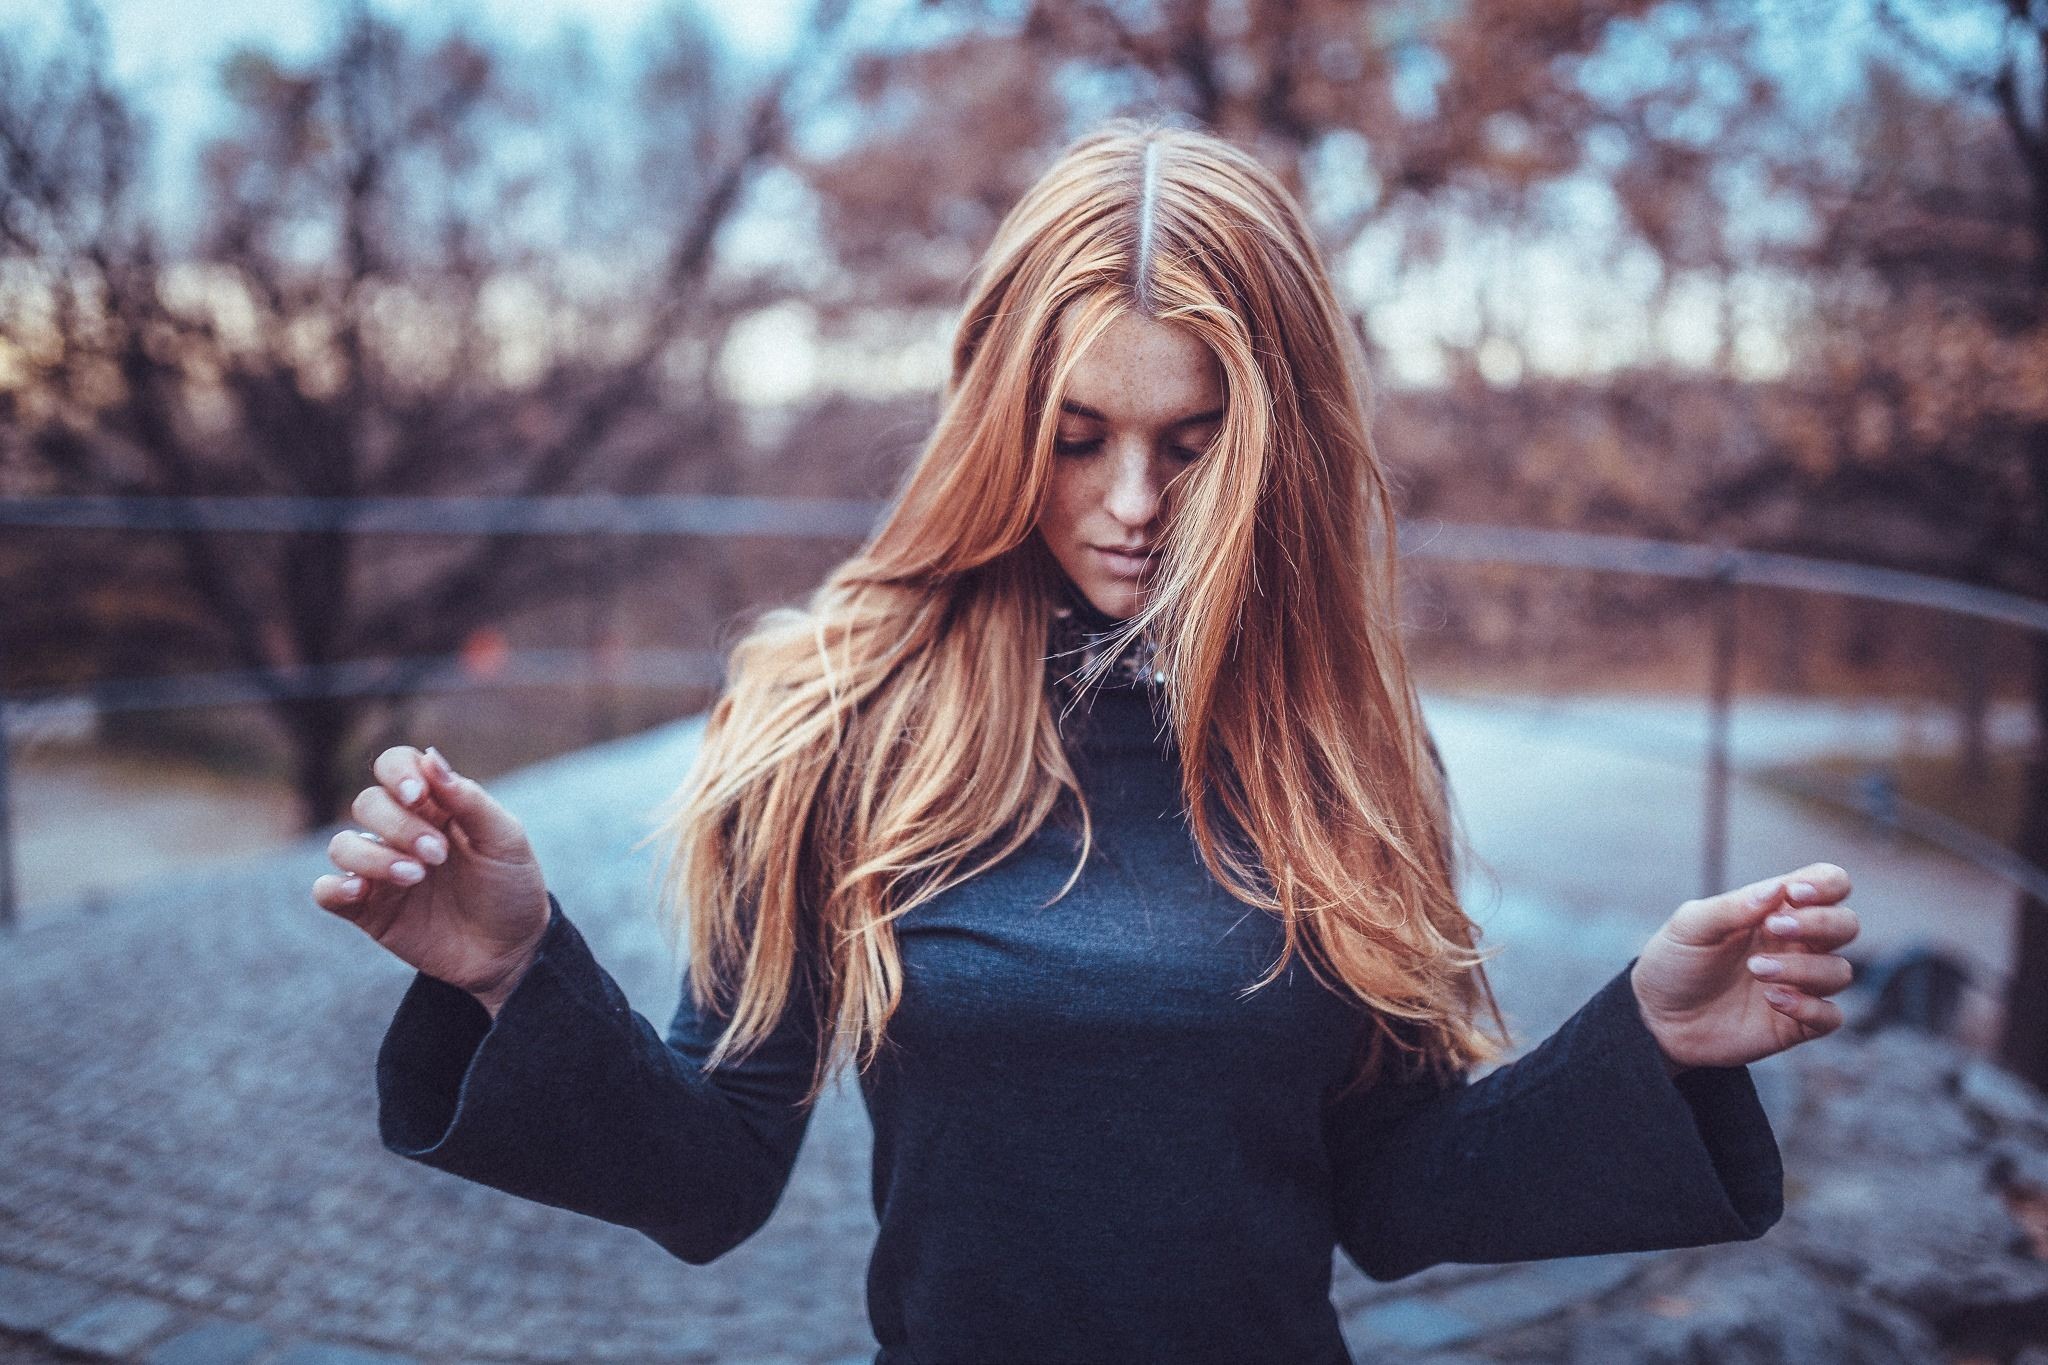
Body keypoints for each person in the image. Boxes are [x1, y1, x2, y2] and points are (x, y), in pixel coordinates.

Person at [311, 117, 1859, 1365]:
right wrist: (516, 970)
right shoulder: (836, 718)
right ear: (1000, 423)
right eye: (1076, 439)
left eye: (1192, 446)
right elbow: (713, 1170)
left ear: (1277, 444)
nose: (1131, 506)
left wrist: (1639, 1040)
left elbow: (1389, 1186)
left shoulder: (1346, 747)